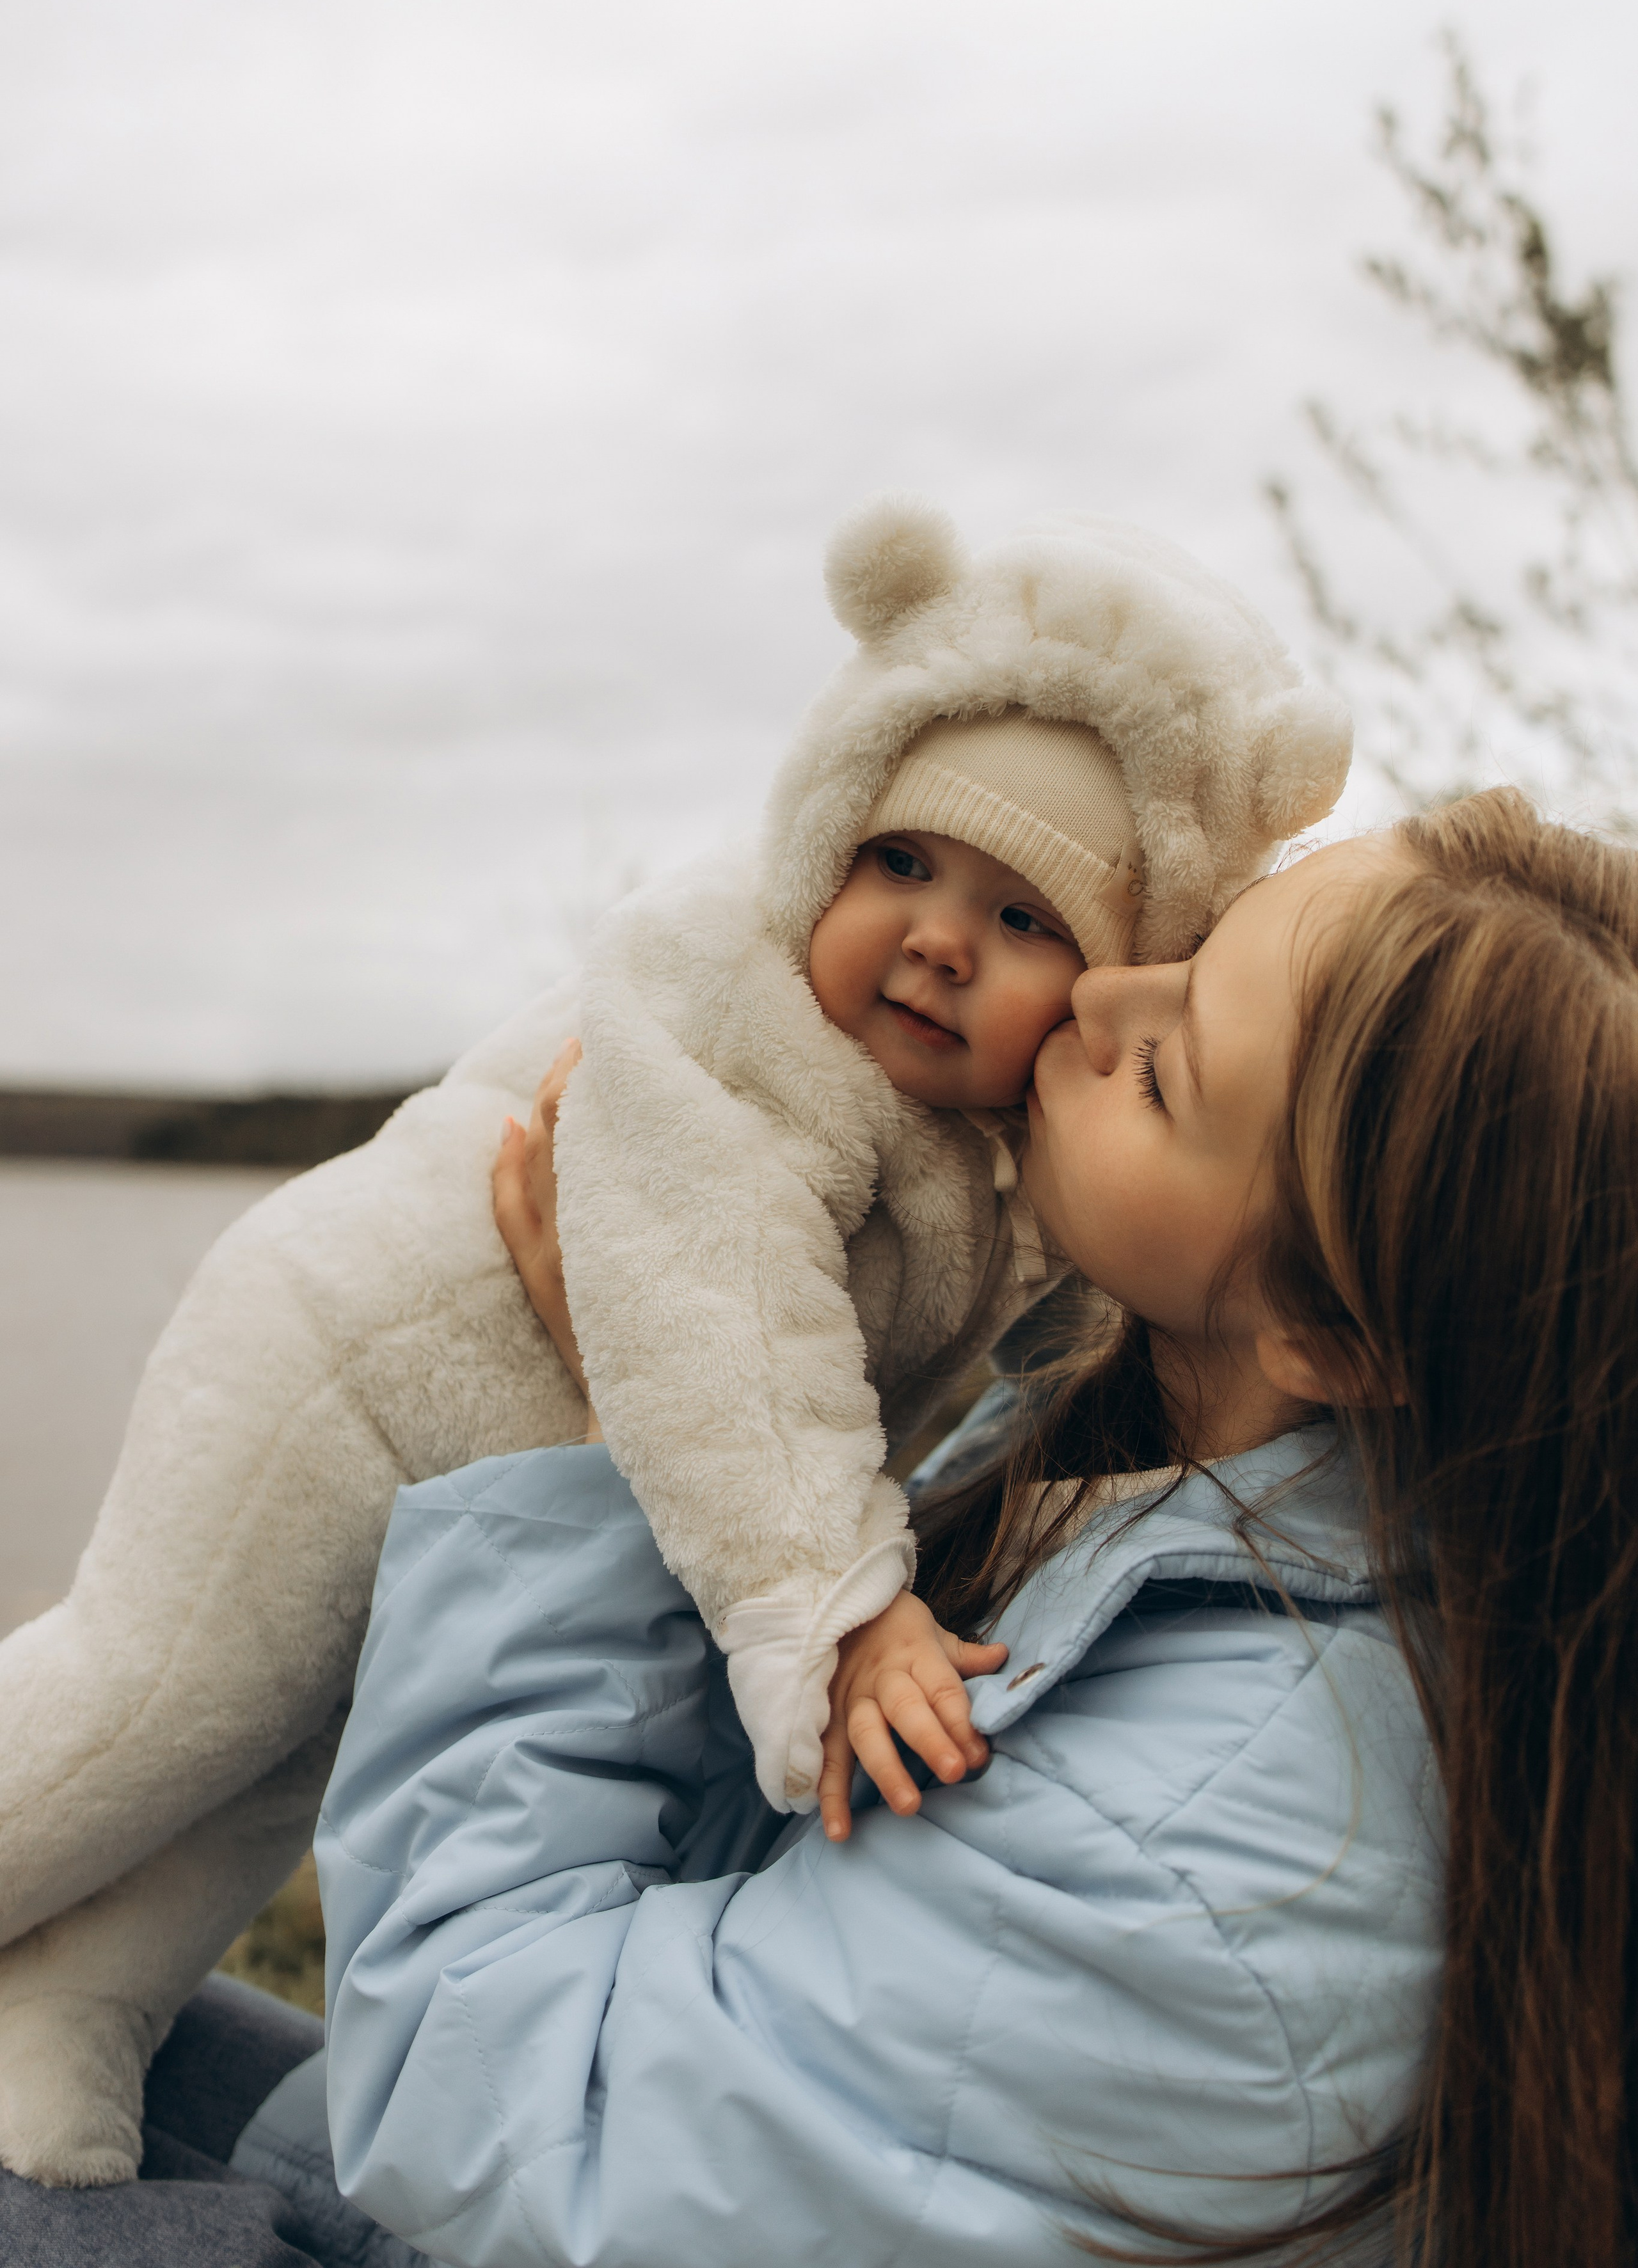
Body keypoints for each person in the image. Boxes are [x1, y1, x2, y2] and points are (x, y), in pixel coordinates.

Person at [244, 782, 1630, 2268]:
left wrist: (622, 1424)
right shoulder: (1195, 1473)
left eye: (1162, 1073)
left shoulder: (1190, 1861)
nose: (1095, 992)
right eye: (1190, 948)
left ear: (1332, 1335)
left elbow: (489, 2111)